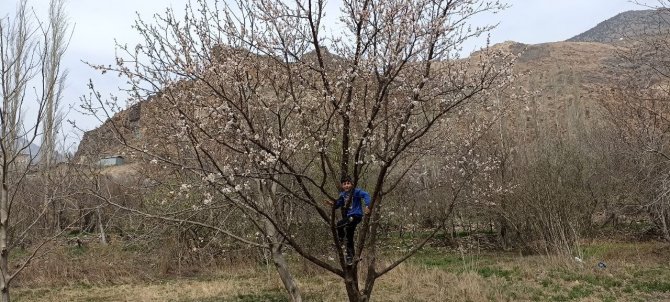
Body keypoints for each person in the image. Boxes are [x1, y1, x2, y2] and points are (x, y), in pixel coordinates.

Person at [325, 175, 371, 265]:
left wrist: (367, 205)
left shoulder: (356, 192)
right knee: (349, 237)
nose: (346, 185)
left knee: (339, 224)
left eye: (348, 183)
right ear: (342, 186)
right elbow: (339, 204)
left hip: (356, 215)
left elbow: (366, 195)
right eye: (344, 184)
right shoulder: (343, 195)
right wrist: (332, 204)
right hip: (349, 217)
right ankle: (351, 257)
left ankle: (341, 240)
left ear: (352, 184)